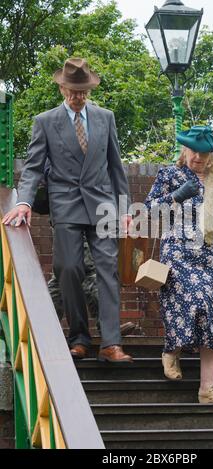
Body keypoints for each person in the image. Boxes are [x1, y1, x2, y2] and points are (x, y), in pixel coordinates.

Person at [2, 57, 133, 362]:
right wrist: (24, 201)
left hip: (103, 206)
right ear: (62, 88)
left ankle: (111, 343)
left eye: (83, 91)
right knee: (69, 269)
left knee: (107, 271)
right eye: (73, 91)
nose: (78, 97)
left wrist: (124, 209)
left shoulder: (106, 117)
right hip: (66, 206)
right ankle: (79, 337)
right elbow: (33, 167)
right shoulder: (45, 122)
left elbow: (116, 167)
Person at [144, 125, 213, 404]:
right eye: (194, 152)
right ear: (184, 150)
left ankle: (207, 389)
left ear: (211, 155)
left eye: (204, 154)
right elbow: (149, 210)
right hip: (179, 252)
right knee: (195, 302)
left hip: (211, 255)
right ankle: (171, 350)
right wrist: (177, 195)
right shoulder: (170, 174)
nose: (198, 158)